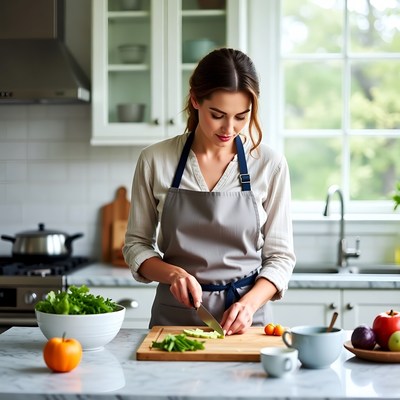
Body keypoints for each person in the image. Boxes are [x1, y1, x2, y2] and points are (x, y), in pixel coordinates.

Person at [123, 48, 295, 335]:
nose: (230, 128)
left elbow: (281, 257)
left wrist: (250, 304)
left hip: (245, 323)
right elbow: (136, 245)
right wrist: (173, 273)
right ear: (195, 100)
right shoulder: (155, 160)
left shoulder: (269, 164)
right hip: (173, 321)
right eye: (218, 115)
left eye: (242, 116)